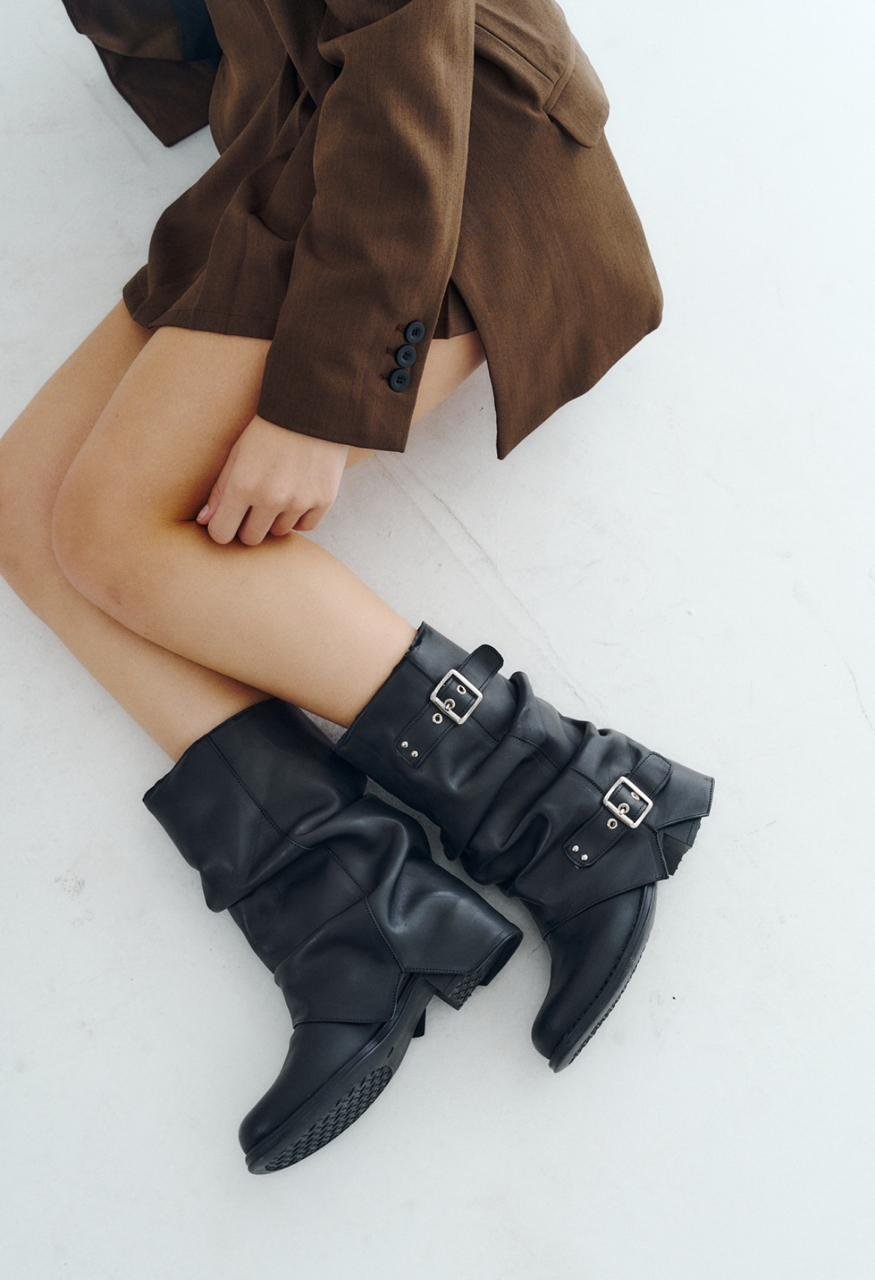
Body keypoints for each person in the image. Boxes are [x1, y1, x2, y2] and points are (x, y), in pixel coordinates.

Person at [0, 1, 714, 1174]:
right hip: (289, 167)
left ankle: (573, 806)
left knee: (112, 528)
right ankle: (357, 917)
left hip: (446, 154)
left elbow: (410, 37)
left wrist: (324, 400)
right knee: (28, 513)